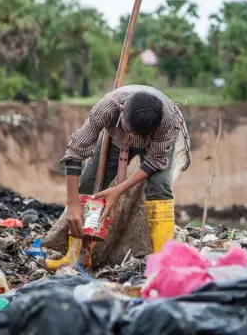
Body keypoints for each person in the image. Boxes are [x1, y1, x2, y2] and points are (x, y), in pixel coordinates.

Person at [46, 85, 190, 271]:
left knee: (160, 186)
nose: (132, 137)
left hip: (153, 146)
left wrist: (118, 190)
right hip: (115, 138)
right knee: (88, 183)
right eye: (129, 130)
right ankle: (74, 255)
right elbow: (75, 152)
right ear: (121, 111)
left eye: (136, 134)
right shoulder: (107, 108)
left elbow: (155, 161)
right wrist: (73, 204)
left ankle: (163, 262)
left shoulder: (168, 121)